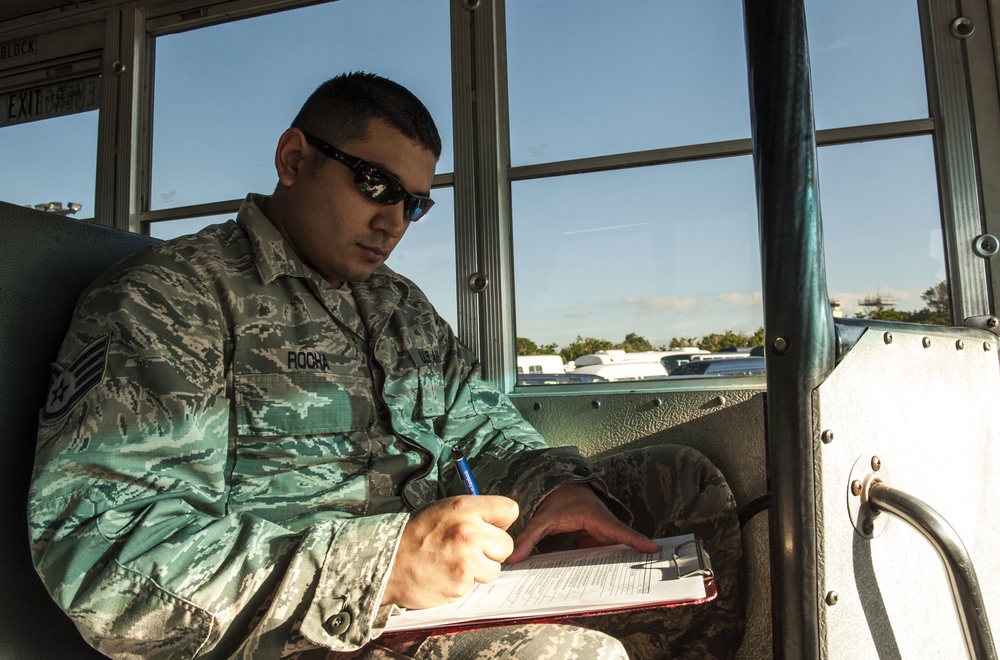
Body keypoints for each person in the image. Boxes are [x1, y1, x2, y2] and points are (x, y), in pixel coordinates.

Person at [28, 72, 743, 659]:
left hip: (437, 589)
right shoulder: (172, 299)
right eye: (376, 184)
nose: (395, 219)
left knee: (684, 487)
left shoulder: (399, 308)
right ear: (294, 159)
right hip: (290, 633)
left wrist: (556, 491)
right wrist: (382, 567)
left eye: (416, 203)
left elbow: (485, 432)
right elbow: (101, 550)